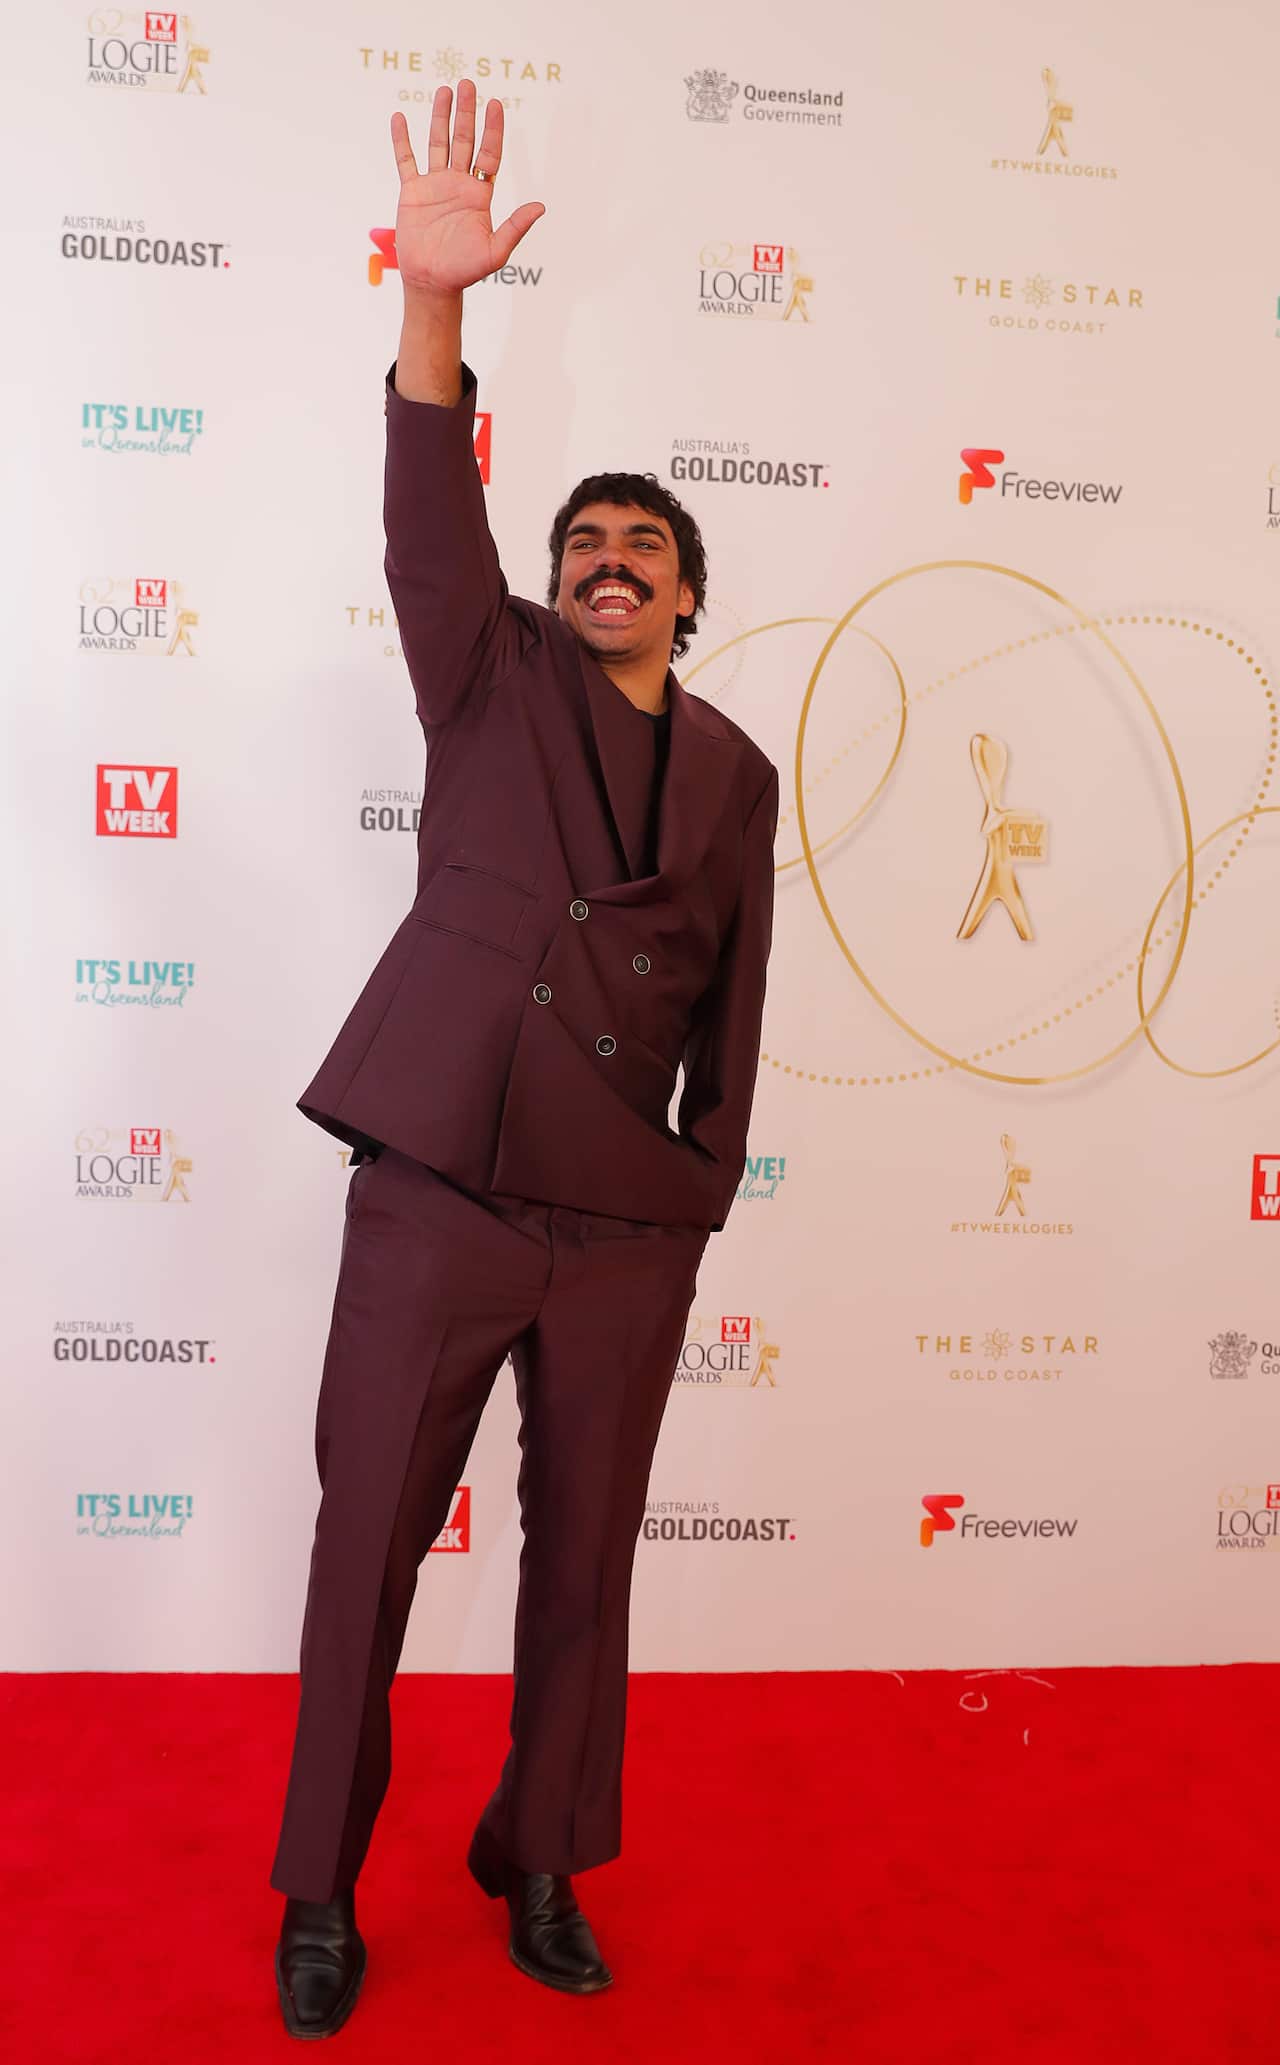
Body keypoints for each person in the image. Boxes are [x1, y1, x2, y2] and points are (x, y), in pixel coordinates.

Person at [270, 80, 779, 2040]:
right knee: (361, 1548)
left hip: (619, 1227)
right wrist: (429, 302)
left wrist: (697, 1193)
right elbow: (424, 501)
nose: (611, 559)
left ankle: (541, 1850)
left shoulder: (733, 775)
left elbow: (741, 1001)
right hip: (438, 1187)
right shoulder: (480, 672)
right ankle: (318, 1883)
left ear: (686, 590)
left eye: (645, 544)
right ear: (552, 580)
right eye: (585, 537)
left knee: (586, 1562)